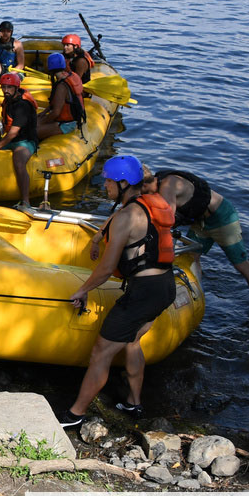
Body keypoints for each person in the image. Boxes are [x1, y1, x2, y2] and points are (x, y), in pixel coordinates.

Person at [58, 155, 177, 427]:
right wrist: (99, 236)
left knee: (102, 352)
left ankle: (75, 414)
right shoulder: (144, 206)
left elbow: (107, 267)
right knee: (132, 341)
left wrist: (83, 290)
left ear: (123, 183)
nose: (105, 186)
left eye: (108, 181)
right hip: (165, 287)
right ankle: (133, 403)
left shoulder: (127, 216)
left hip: (144, 292)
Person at [142, 166, 249, 317]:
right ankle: (196, 295)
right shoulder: (158, 183)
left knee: (240, 263)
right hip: (200, 220)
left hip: (221, 217)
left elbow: (168, 220)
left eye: (141, 191)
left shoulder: (167, 186)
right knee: (191, 257)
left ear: (145, 185)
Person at [0, 72, 40, 208]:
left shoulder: (22, 106)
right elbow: (6, 124)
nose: (5, 91)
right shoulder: (9, 100)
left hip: (25, 140)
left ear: (16, 88)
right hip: (11, 139)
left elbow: (13, 133)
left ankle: (25, 201)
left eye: (9, 88)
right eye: (3, 87)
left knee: (19, 161)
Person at [35, 52, 86, 140]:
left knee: (30, 131)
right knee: (34, 120)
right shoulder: (72, 76)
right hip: (72, 120)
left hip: (66, 124)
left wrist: (42, 123)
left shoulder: (61, 86)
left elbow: (56, 113)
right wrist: (44, 113)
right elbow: (56, 103)